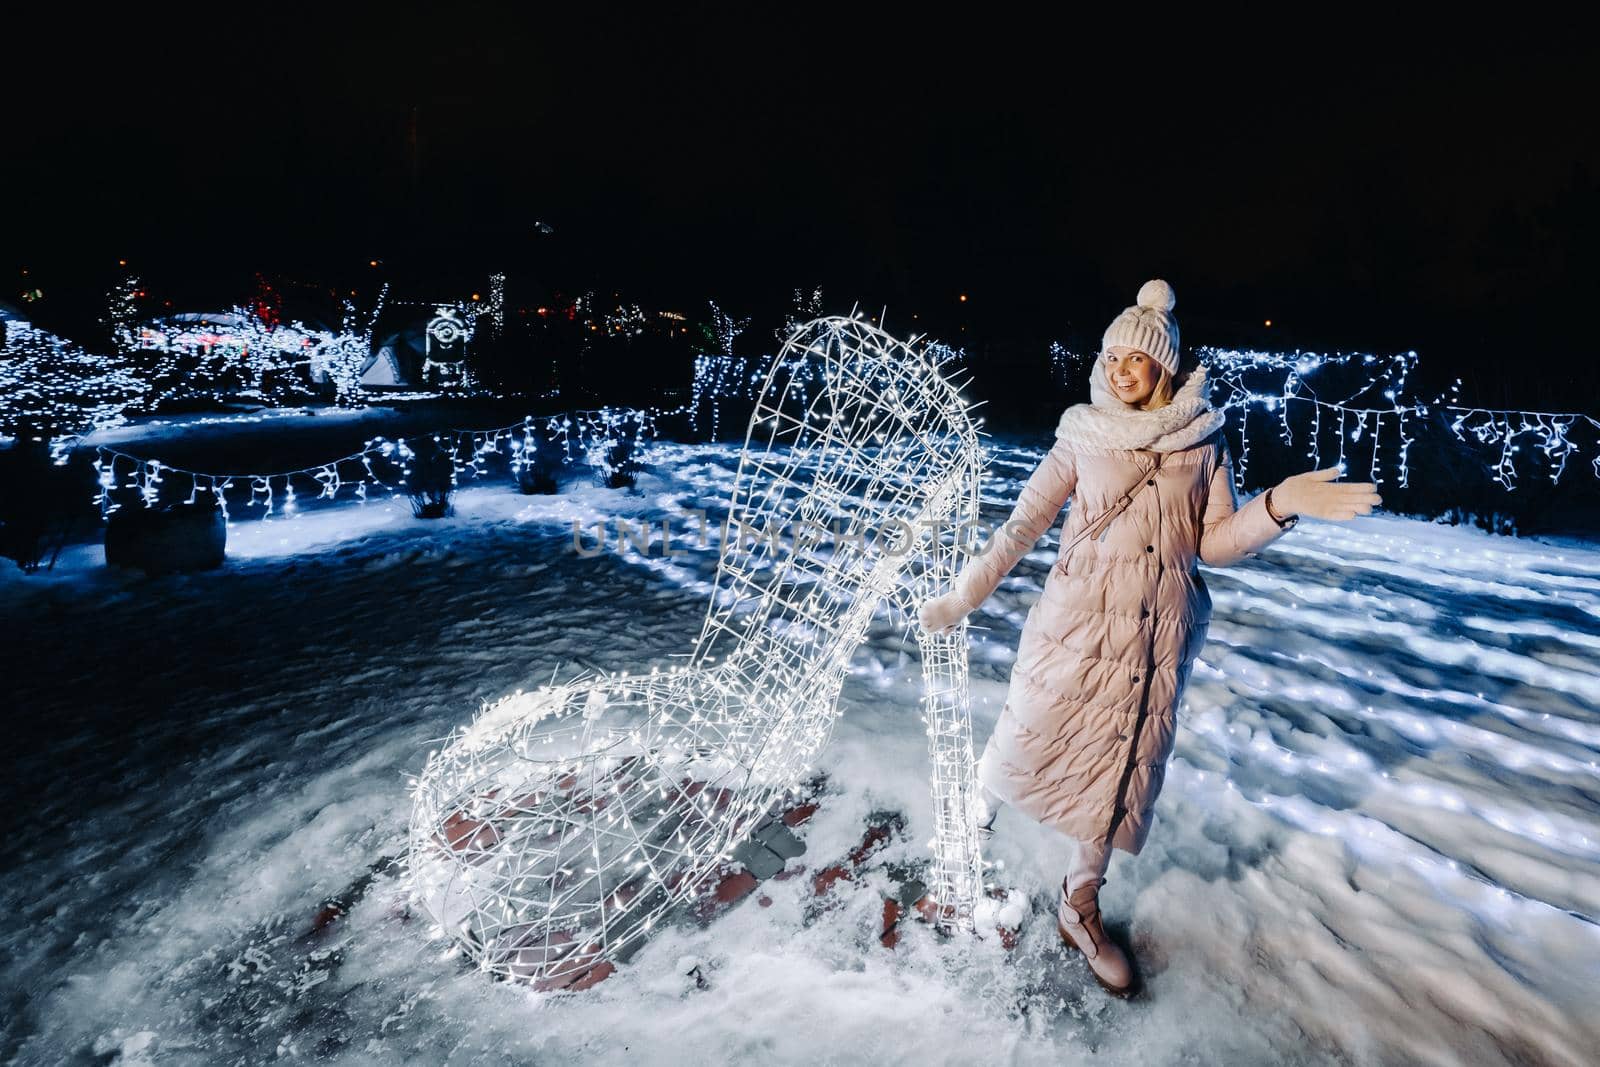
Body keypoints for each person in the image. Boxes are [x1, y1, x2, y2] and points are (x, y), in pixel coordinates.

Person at [918, 279, 1380, 994]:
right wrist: (963, 595)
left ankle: (1079, 906)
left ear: (1163, 365)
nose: (1119, 369)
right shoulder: (1084, 433)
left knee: (1115, 775)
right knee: (1025, 735)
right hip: (1075, 628)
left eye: (1135, 358)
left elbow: (1215, 542)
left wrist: (1281, 502)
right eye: (1111, 357)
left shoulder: (1203, 439)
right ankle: (964, 842)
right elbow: (1024, 523)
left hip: (1151, 641)